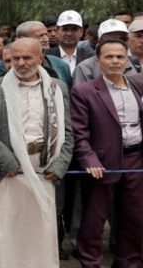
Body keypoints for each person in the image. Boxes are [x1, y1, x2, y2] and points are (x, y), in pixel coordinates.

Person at [0, 38, 73, 267]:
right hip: (4, 172)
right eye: (16, 58)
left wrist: (60, 165)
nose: (21, 63)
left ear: (40, 58)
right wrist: (8, 162)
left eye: (27, 58)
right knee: (1, 235)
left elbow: (67, 131)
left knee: (35, 237)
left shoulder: (57, 88)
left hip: (43, 172)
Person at [71, 39, 143, 267]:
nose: (115, 61)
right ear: (98, 61)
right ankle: (90, 262)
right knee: (94, 219)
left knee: (134, 216)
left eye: (120, 57)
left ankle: (127, 262)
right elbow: (79, 132)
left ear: (127, 60)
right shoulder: (84, 91)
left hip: (135, 160)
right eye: (109, 57)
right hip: (101, 163)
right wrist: (89, 159)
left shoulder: (137, 85)